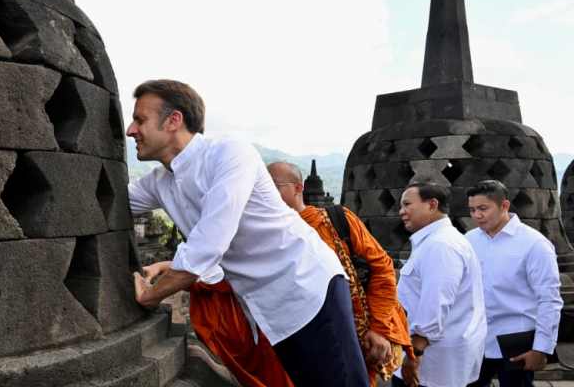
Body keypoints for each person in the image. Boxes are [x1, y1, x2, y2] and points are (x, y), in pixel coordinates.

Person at [127, 79, 368, 386]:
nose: (131, 130)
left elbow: (209, 243)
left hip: (307, 289)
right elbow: (110, 199)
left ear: (174, 121)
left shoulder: (229, 153)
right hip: (268, 309)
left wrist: (151, 295)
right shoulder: (160, 181)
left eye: (140, 120)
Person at [267, 161, 412, 386]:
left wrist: (379, 328)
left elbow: (382, 267)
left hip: (358, 331)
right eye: (263, 187)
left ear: (298, 188)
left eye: (274, 186)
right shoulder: (270, 235)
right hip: (307, 336)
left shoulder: (336, 220)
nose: (268, 194)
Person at [465, 180, 563, 387]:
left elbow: (549, 300)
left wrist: (541, 348)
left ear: (504, 206)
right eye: (472, 210)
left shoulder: (534, 244)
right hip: (474, 339)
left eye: (483, 208)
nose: (477, 215)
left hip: (517, 341)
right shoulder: (469, 240)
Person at [393, 182, 486, 387]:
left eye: (408, 204)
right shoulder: (435, 241)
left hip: (432, 365)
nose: (402, 212)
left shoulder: (441, 245)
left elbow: (435, 304)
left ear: (432, 205)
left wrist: (414, 354)